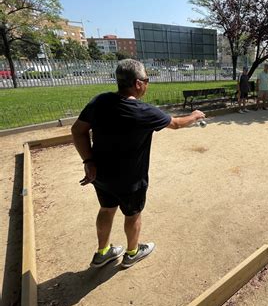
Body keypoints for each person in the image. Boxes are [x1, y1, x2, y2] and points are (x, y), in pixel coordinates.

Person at [71, 59, 205, 269]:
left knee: (106, 210)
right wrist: (195, 115)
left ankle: (102, 252)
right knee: (132, 215)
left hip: (101, 175)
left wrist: (88, 161)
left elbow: (77, 130)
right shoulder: (143, 112)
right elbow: (176, 124)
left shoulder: (100, 102)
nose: (147, 84)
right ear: (138, 84)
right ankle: (132, 253)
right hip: (131, 180)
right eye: (147, 80)